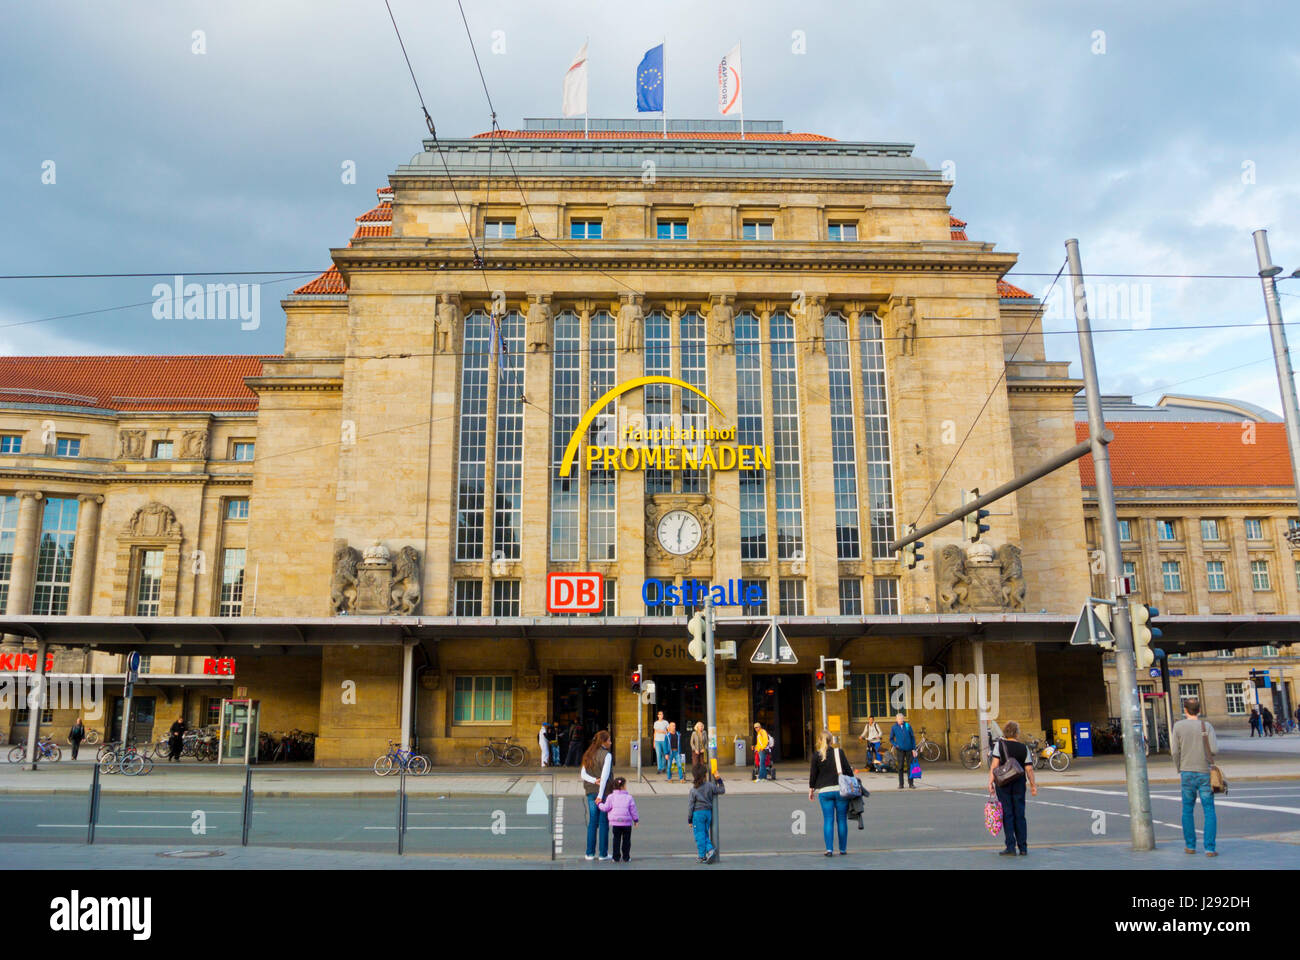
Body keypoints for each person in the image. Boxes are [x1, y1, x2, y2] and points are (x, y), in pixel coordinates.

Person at [1171, 696, 1218, 858]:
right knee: (1209, 810)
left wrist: (1179, 767)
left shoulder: (1178, 726)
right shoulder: (1207, 726)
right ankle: (1210, 848)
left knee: (1187, 810)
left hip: (1186, 772)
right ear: (1199, 710)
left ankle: (1190, 846)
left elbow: (1175, 751)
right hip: (1205, 772)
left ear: (1185, 710)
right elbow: (1214, 749)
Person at [988, 720, 1036, 857]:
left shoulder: (999, 745)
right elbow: (1029, 769)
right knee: (1020, 815)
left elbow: (994, 766)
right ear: (1017, 733)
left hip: (1003, 784)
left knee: (1007, 814)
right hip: (1019, 784)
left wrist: (990, 782)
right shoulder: (1023, 747)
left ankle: (1010, 847)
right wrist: (1033, 786)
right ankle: (1023, 847)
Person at [808, 730, 855, 857]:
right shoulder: (838, 752)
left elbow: (813, 775)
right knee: (841, 820)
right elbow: (849, 772)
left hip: (824, 791)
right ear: (831, 741)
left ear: (819, 741)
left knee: (828, 820)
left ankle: (829, 849)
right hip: (840, 790)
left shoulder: (816, 756)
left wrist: (811, 789)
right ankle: (843, 849)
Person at [581, 730, 614, 861]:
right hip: (604, 793)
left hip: (590, 791)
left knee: (593, 822)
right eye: (609, 740)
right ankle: (603, 854)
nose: (610, 742)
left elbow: (583, 775)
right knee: (604, 822)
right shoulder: (607, 755)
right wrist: (600, 795)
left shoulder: (588, 754)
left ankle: (589, 853)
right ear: (604, 742)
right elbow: (604, 777)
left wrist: (594, 781)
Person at [687, 763, 725, 863]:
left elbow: (691, 806)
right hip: (708, 813)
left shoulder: (693, 790)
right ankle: (705, 853)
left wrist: (689, 819)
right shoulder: (710, 786)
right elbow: (722, 790)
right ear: (705, 775)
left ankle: (706, 853)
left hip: (697, 814)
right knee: (704, 833)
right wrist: (718, 779)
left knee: (699, 835)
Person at [597, 776, 640, 862]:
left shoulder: (611, 797)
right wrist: (636, 820)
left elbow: (606, 808)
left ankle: (616, 857)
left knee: (616, 840)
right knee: (626, 840)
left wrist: (599, 804)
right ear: (623, 787)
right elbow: (633, 810)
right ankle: (626, 857)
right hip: (627, 823)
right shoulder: (629, 798)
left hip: (616, 823)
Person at [889, 712, 917, 789]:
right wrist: (896, 745)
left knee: (910, 767)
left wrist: (914, 749)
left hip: (909, 749)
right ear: (896, 719)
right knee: (900, 767)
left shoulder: (907, 725)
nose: (901, 720)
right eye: (899, 719)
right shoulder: (894, 727)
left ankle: (911, 783)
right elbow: (891, 739)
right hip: (900, 750)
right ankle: (901, 784)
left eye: (902, 718)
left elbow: (912, 737)